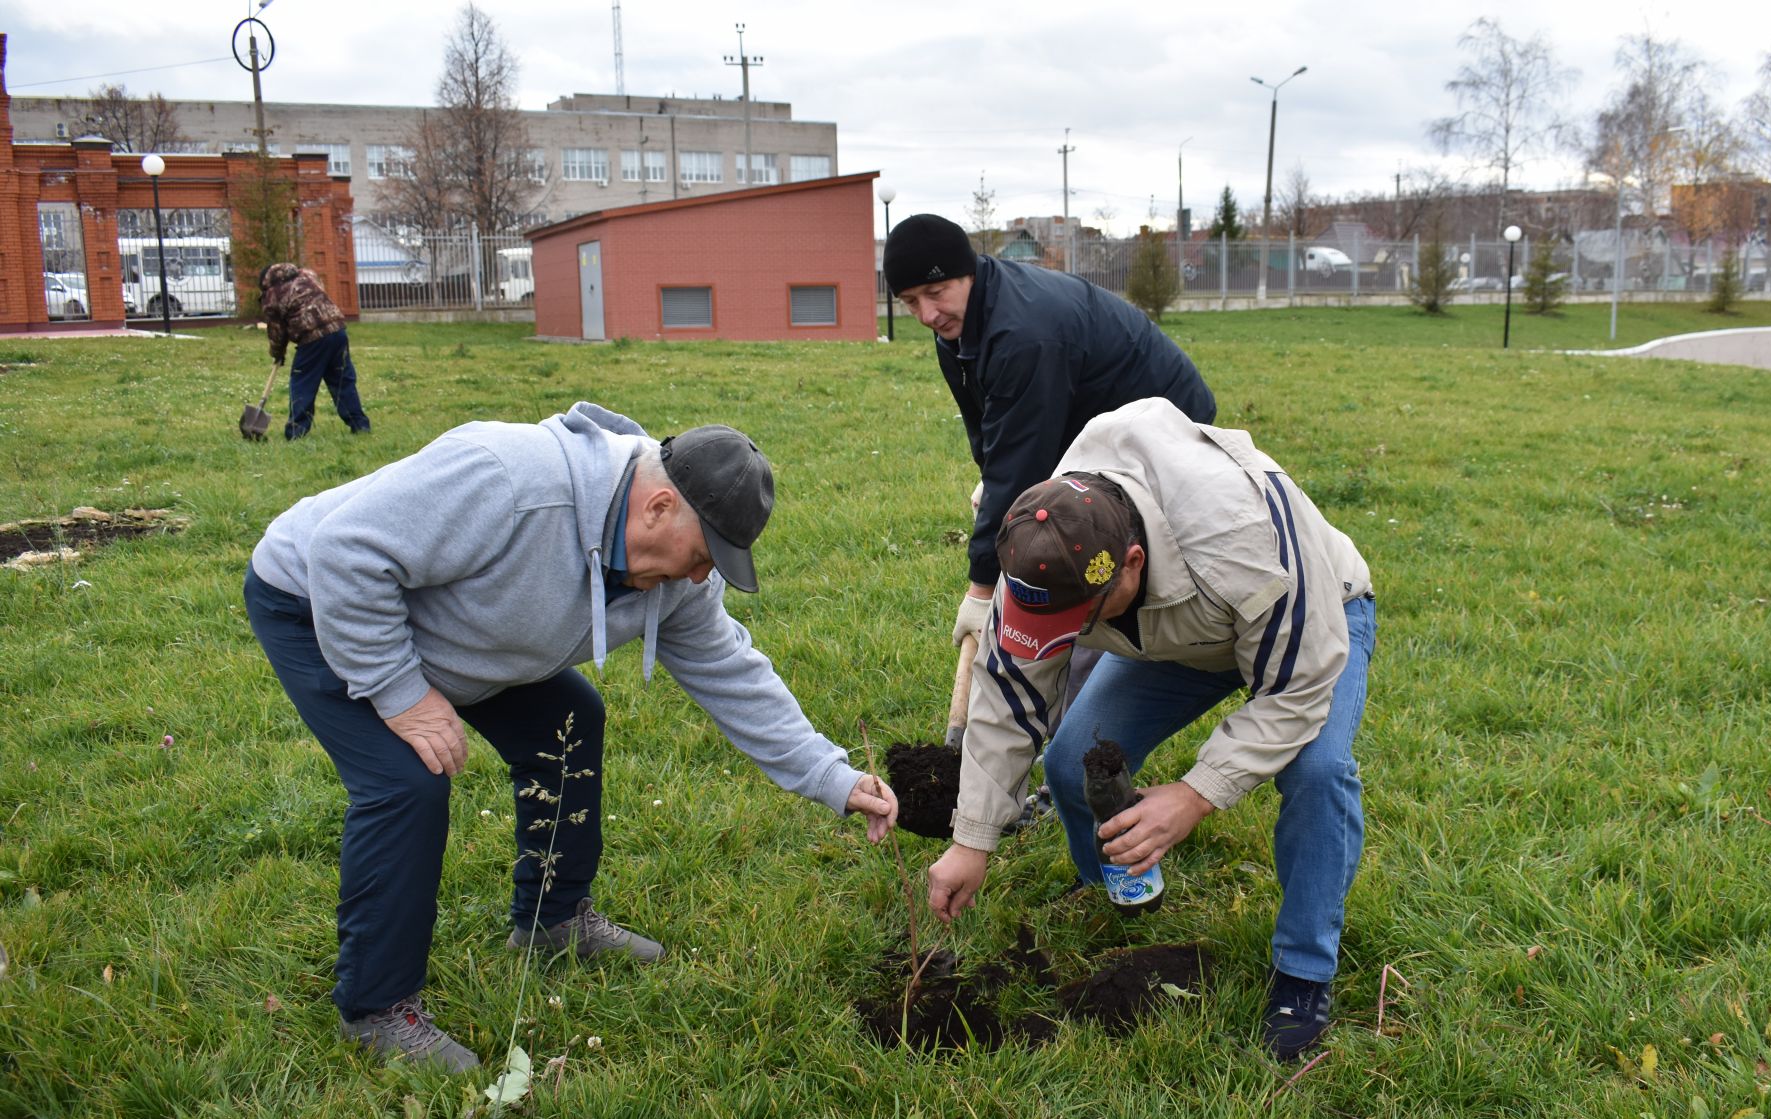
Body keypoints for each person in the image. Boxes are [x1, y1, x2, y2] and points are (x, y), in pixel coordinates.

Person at [245, 402, 899, 1070]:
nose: (703, 577)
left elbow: (733, 674)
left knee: (570, 719)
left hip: (459, 632)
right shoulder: (511, 482)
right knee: (406, 781)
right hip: (321, 602)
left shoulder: (675, 583)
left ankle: (551, 922)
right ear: (659, 507)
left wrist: (833, 777)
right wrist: (402, 694)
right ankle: (377, 1009)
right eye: (704, 556)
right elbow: (345, 553)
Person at [926, 398, 1375, 1063]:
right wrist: (974, 838)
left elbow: (1294, 691)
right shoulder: (1049, 546)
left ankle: (1303, 973)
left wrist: (1195, 794)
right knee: (1074, 757)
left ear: (1131, 561)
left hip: (1308, 621)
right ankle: (1108, 883)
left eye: (1082, 620)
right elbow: (1009, 692)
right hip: (1171, 639)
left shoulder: (1244, 543)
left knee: (1316, 773)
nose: (1067, 640)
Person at [882, 213, 1217, 706]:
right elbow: (989, 427)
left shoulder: (1023, 332)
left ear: (967, 272)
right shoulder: (956, 329)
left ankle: (1079, 729)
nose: (928, 314)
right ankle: (1048, 704)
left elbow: (1022, 458)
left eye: (936, 294)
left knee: (1092, 557)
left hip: (1162, 422)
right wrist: (992, 483)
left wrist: (981, 586)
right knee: (1035, 524)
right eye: (911, 302)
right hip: (1085, 416)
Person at [259, 262, 372, 440]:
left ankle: (296, 432)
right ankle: (360, 425)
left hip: (312, 339)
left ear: (265, 282)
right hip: (337, 330)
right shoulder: (306, 275)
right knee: (342, 381)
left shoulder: (272, 295)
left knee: (302, 383)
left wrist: (277, 353)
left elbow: (276, 331)